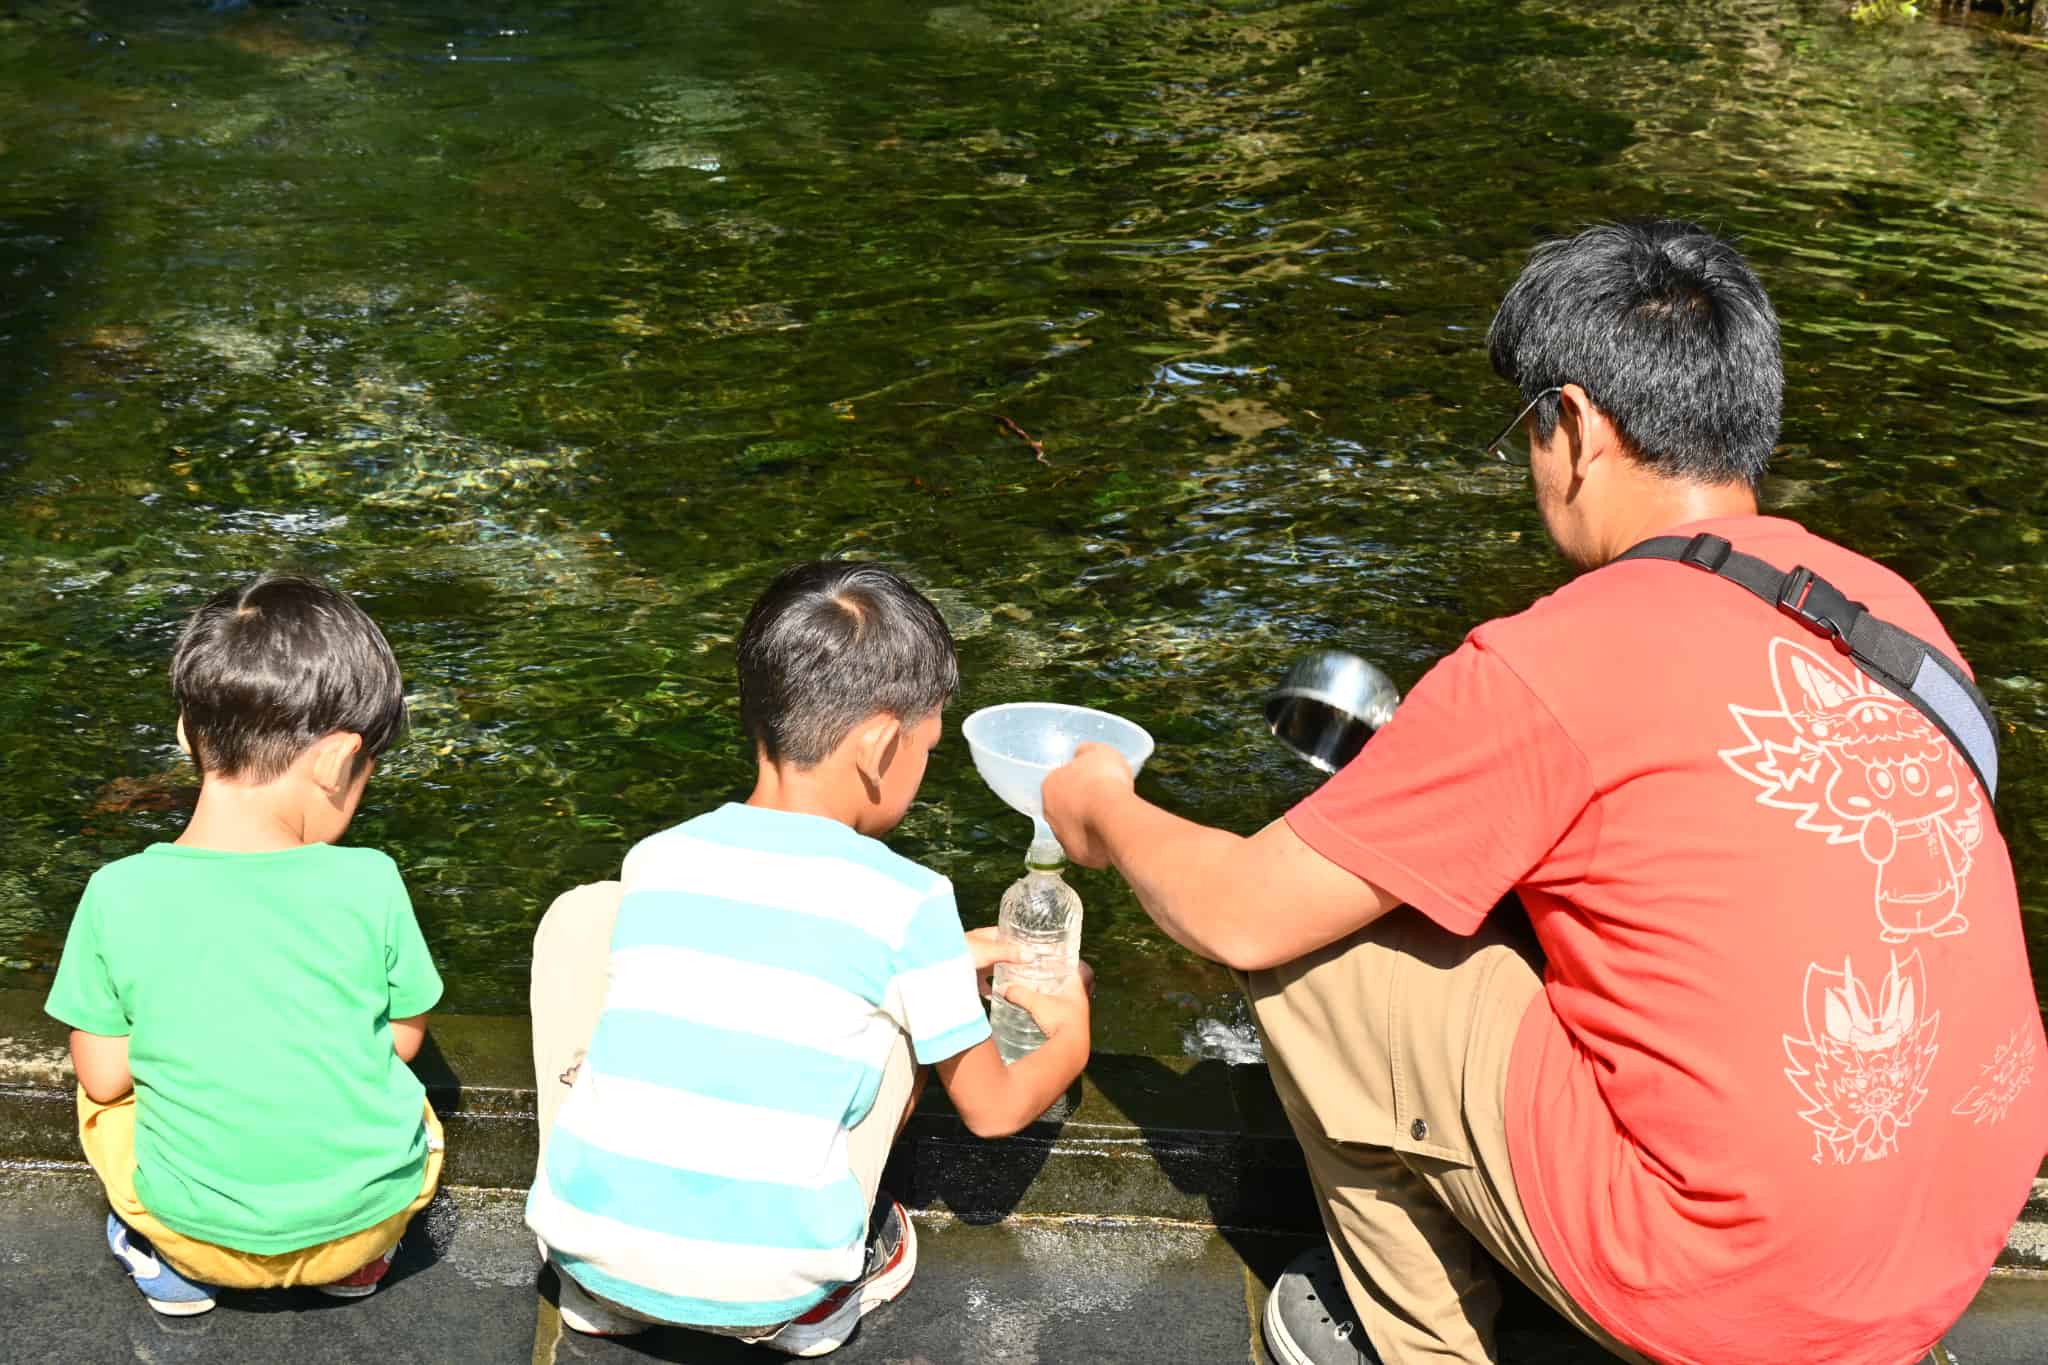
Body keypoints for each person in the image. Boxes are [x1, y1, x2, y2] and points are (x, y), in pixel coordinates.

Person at [1042, 220, 2047, 1365]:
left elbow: (1238, 912)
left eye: (1525, 429)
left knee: (1315, 957)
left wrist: (1105, 808)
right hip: (1949, 1243)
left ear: (1571, 424)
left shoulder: (1553, 658)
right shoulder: (1888, 615)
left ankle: (1405, 1337)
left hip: (1738, 1296)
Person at [524, 560, 1092, 1355]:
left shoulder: (659, 856)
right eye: (926, 747)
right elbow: (993, 1111)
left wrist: (946, 959)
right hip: (771, 1294)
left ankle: (606, 1279)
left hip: (580, 1255)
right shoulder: (910, 898)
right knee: (904, 1017)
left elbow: (767, 946)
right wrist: (1072, 1035)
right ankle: (827, 1297)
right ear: (880, 745)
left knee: (583, 919)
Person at [44, 575, 445, 1317]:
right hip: (359, 1229)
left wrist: (193, 1031)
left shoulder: (116, 891)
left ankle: (163, 1261)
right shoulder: (373, 880)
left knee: (101, 1100)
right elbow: (403, 1041)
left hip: (197, 1233)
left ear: (185, 736)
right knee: (414, 1107)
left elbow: (102, 1078)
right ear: (336, 760)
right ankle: (360, 1263)